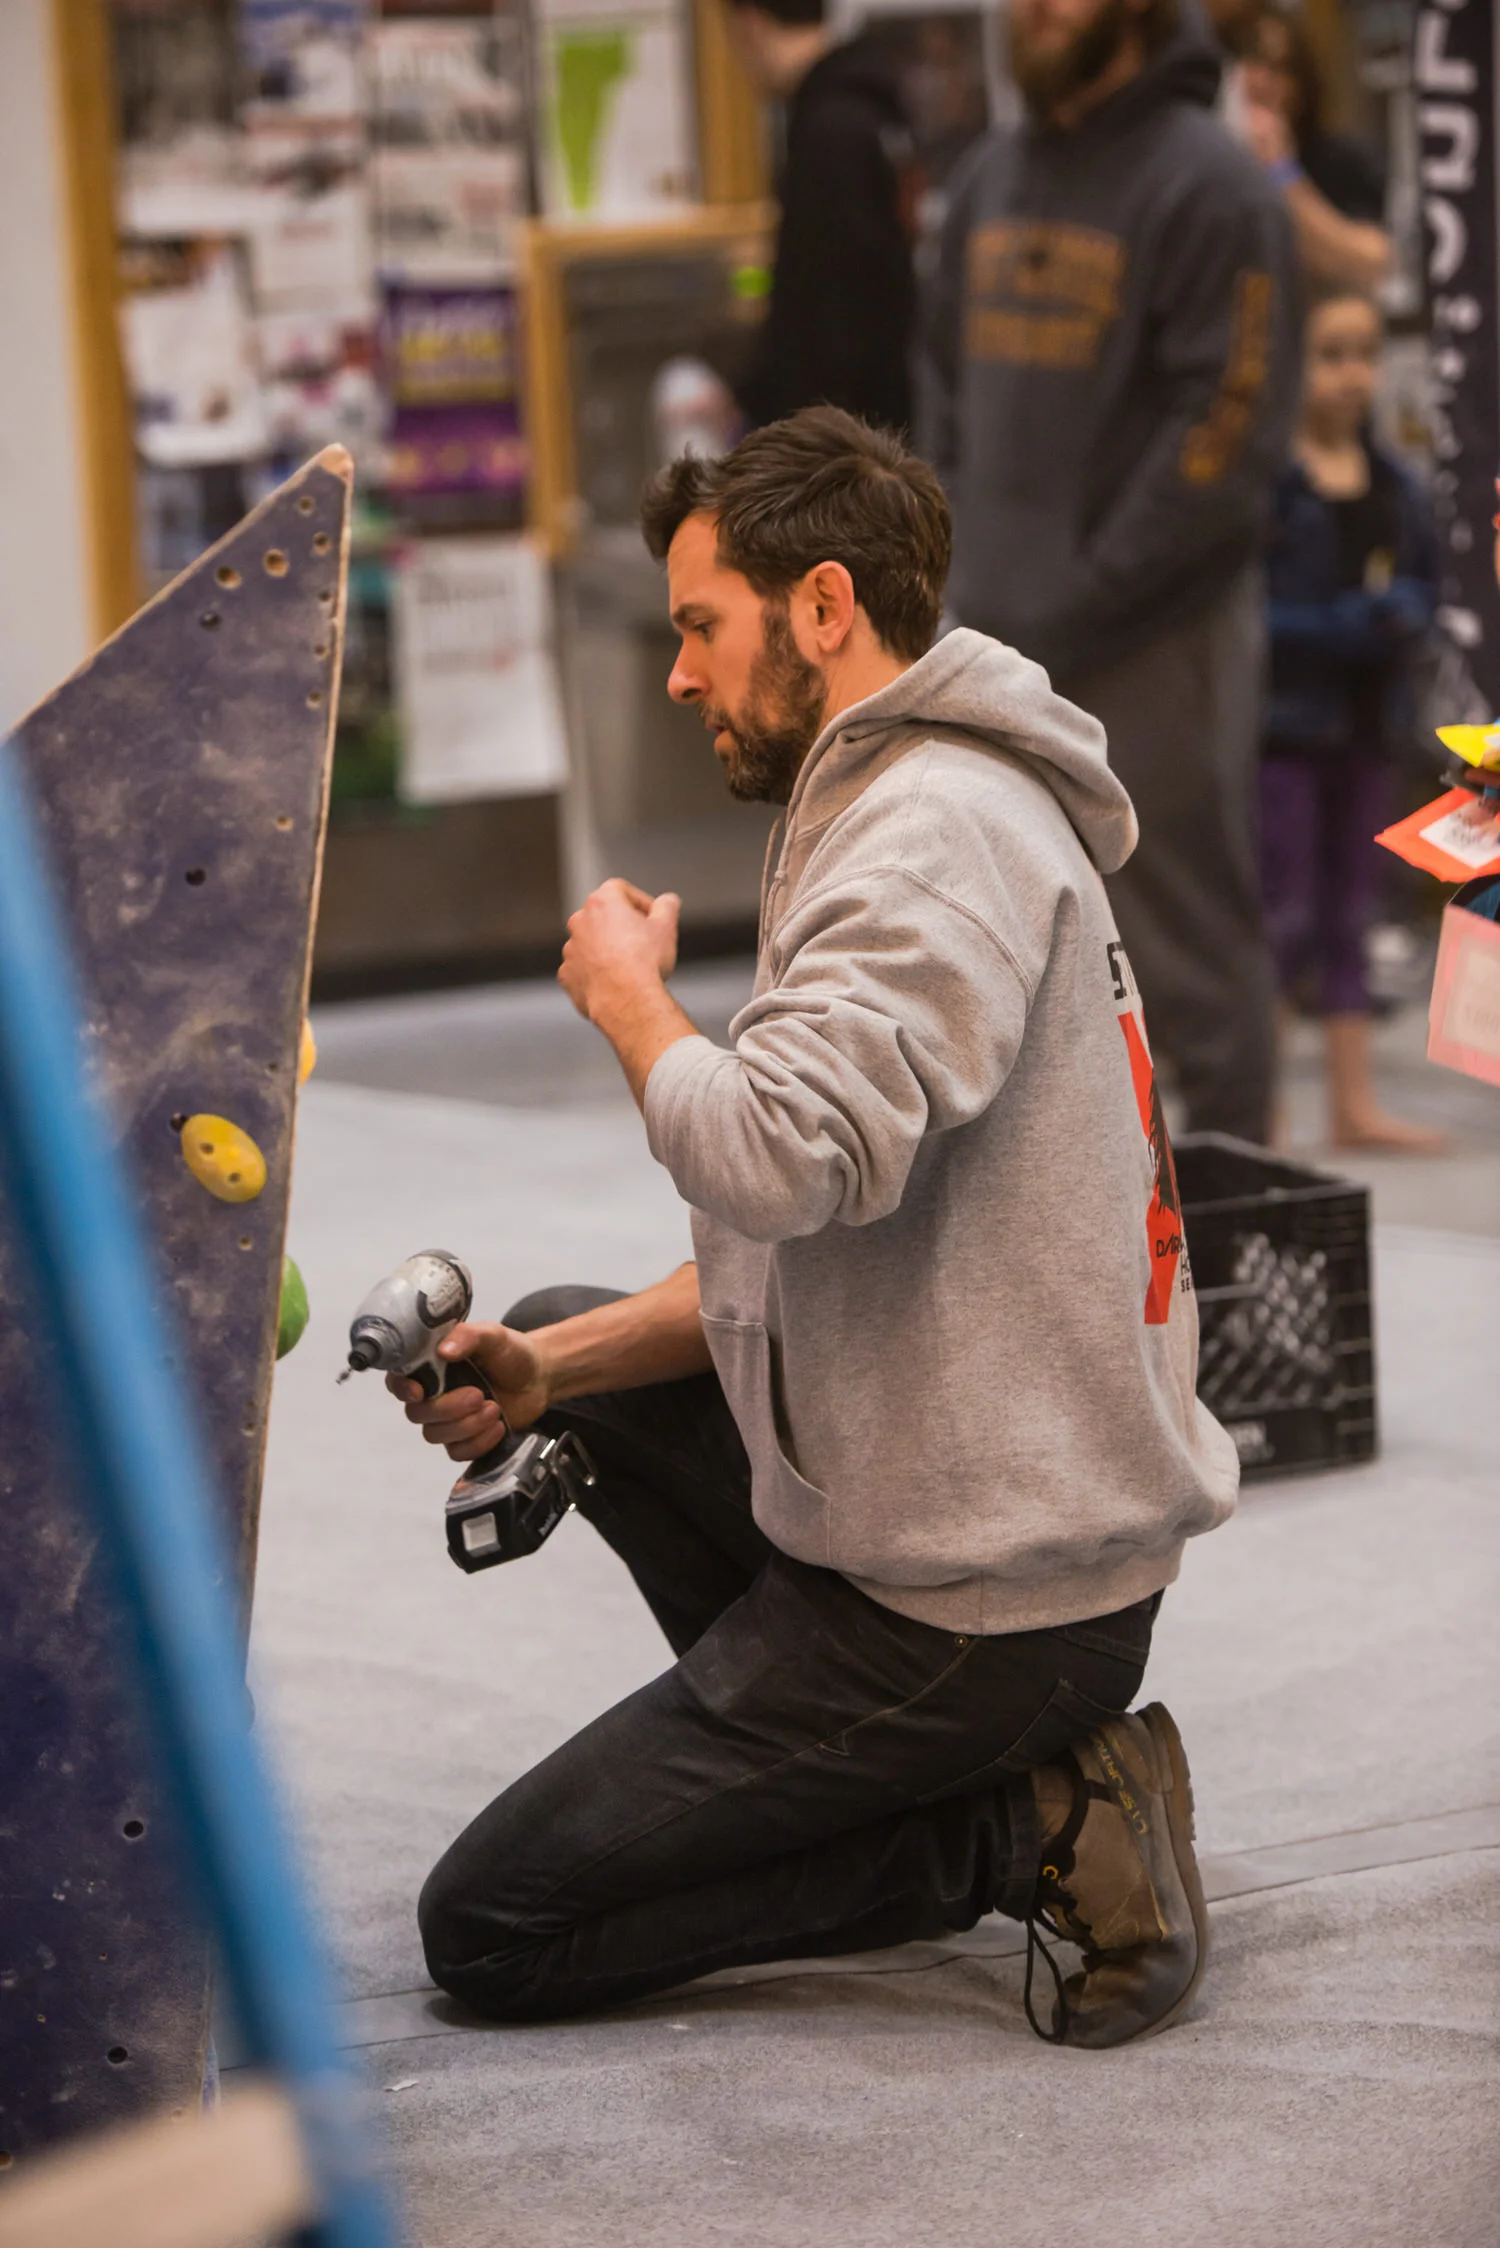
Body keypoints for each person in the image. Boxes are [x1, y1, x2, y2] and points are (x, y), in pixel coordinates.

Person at [393, 410, 1239, 2048]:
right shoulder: (901, 800)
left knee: (494, 1928)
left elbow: (780, 1158)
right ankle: (890, 1772)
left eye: (701, 625)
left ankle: (1036, 1821)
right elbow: (797, 1246)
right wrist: (554, 1368)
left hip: (993, 1604)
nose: (678, 673)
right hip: (962, 1505)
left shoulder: (931, 837)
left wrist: (630, 1002)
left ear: (826, 606)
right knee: (570, 1330)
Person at [920, 0, 1300, 1145]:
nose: (1035, 10)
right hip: (991, 641)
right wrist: (961, 558)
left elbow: (1224, 429)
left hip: (1155, 640)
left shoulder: (1214, 186)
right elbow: (938, 386)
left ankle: (1234, 1230)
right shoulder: (988, 180)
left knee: (1188, 960)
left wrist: (1080, 592)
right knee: (1008, 967)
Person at [1261, 289, 1442, 1149]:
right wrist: (1333, 625)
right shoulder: (1271, 488)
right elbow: (1242, 616)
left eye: (1364, 355)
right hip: (1284, 736)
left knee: (1354, 917)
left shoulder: (1398, 487)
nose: (1352, 375)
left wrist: (1403, 613)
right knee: (1282, 915)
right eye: (1331, 356)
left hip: (1367, 730)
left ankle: (1352, 1101)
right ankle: (1259, 1105)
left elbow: (1429, 581)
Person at [725, 0, 917, 432]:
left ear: (749, 24)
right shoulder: (870, 109)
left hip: (846, 440)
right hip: (885, 425)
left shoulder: (829, 133)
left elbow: (828, 317)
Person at [1236, 5, 1393, 294]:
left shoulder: (1341, 160)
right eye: (1250, 62)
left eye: (1277, 69)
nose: (1260, 82)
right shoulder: (1202, 159)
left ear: (1301, 85)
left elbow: (1373, 263)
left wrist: (1281, 171)